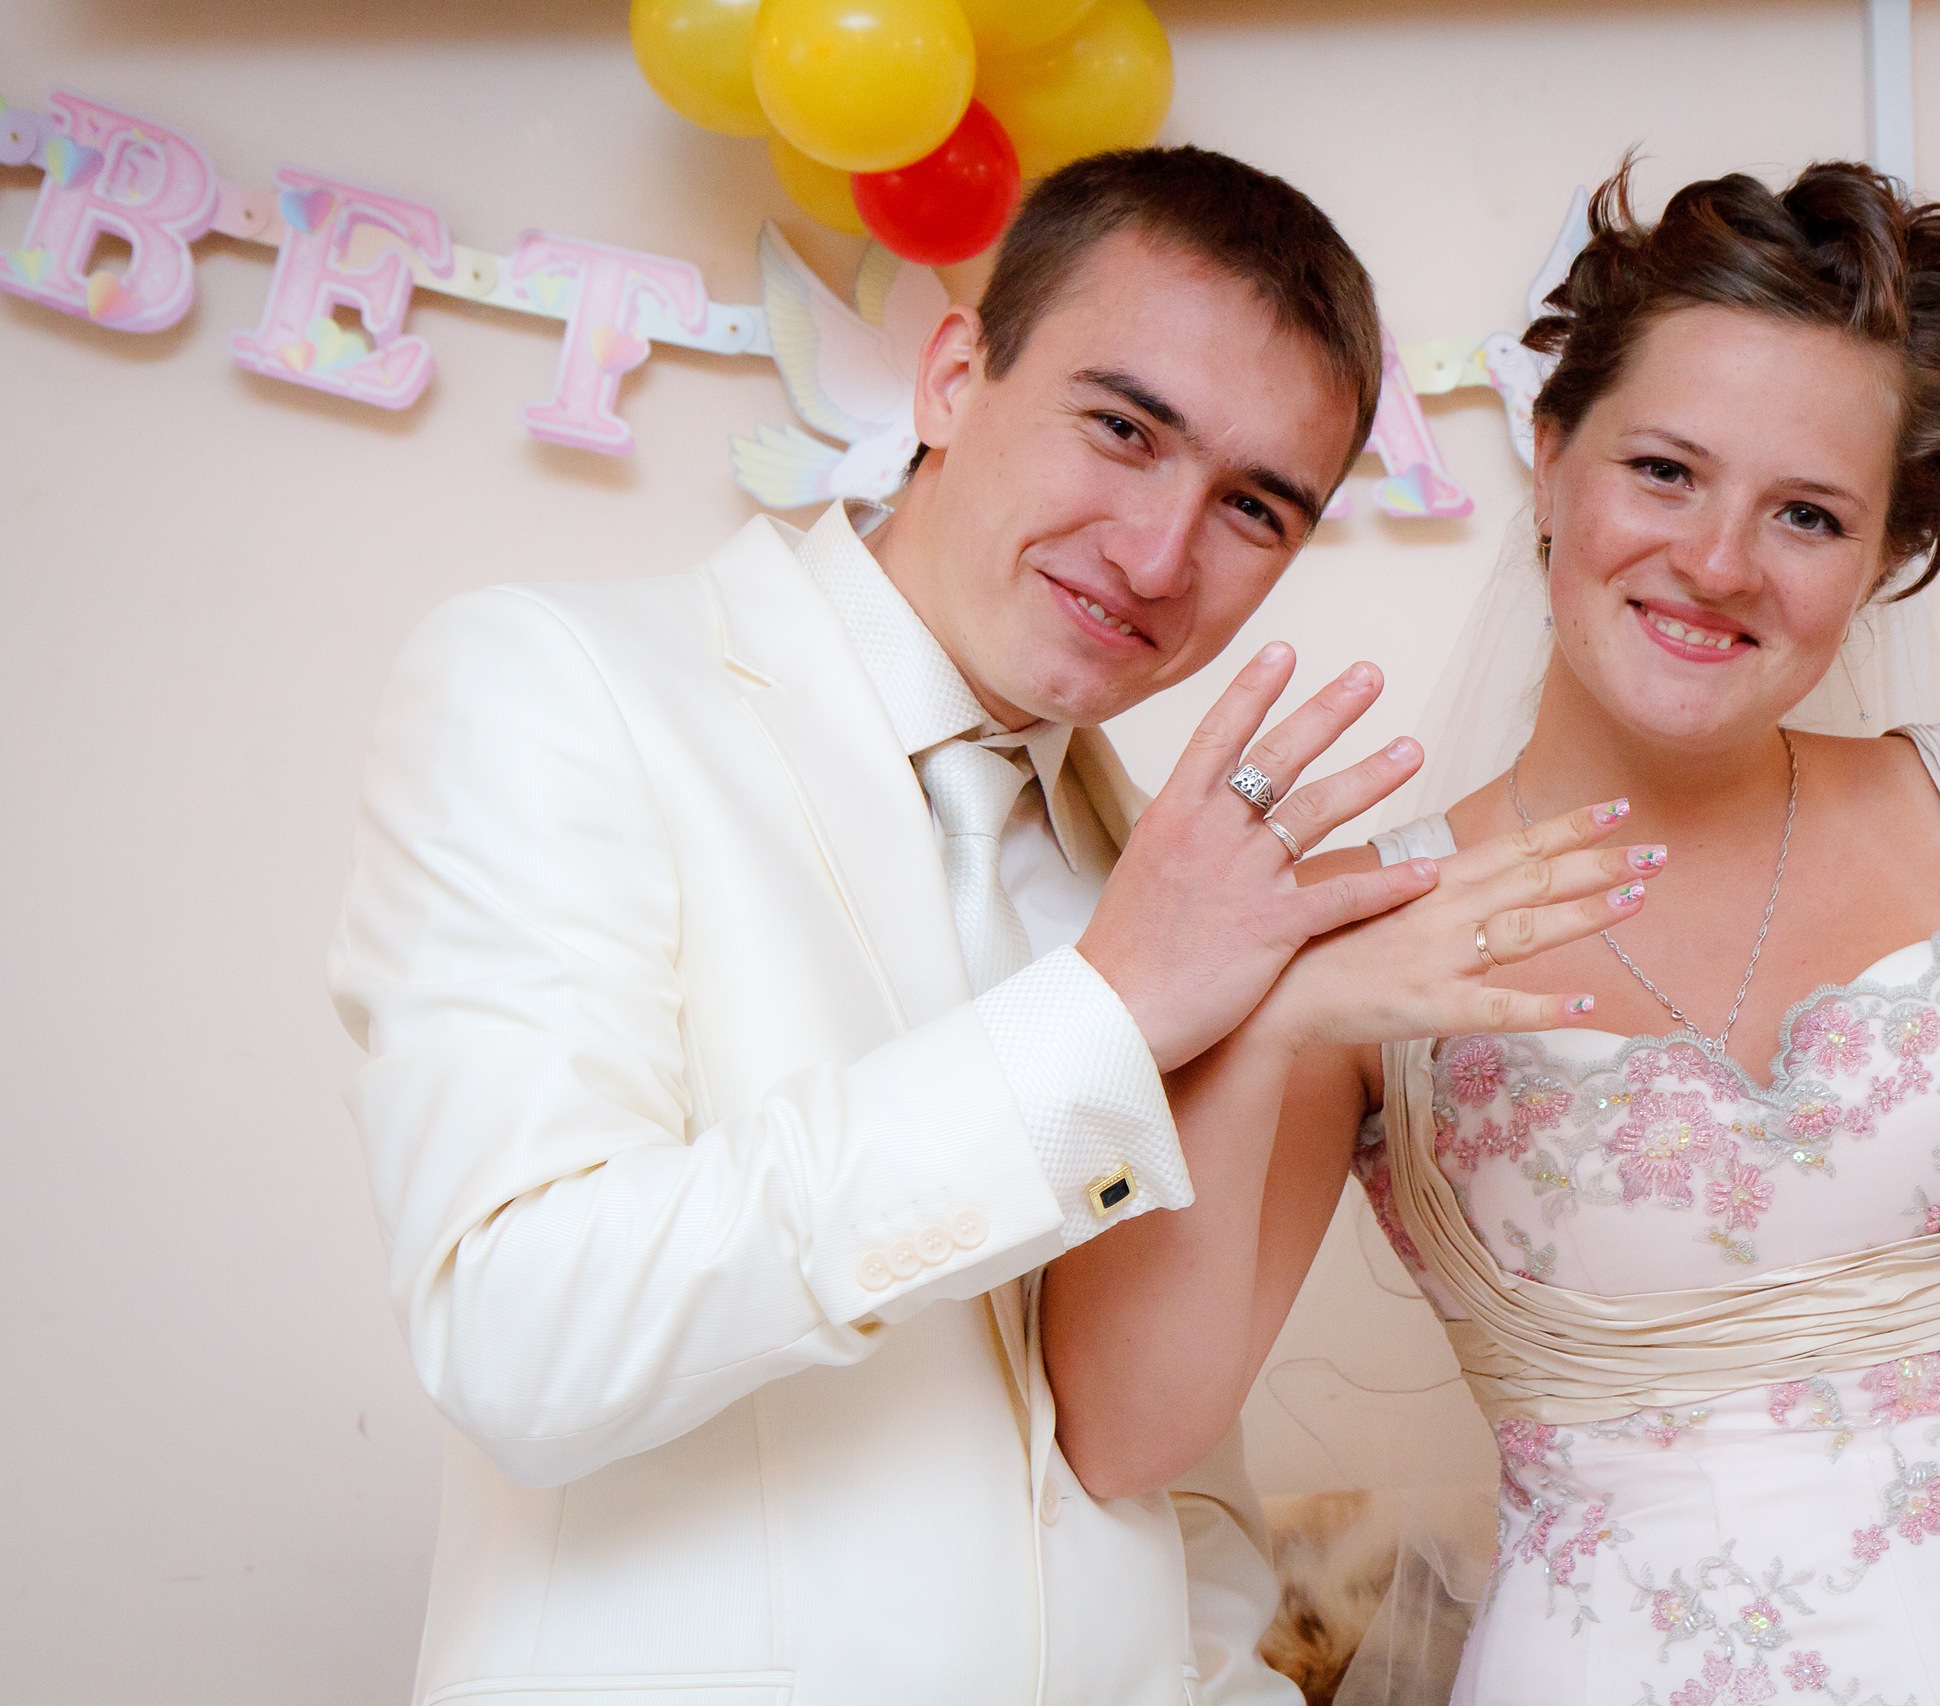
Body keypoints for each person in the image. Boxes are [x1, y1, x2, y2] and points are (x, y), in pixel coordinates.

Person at [1039, 161, 1940, 1705]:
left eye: (1807, 513)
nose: (1720, 561)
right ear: (1552, 461)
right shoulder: (1353, 924)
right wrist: (1276, 1018)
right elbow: (1123, 1435)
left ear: (1884, 557)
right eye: (1666, 471)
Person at [328, 146, 1632, 1706]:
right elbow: (522, 1337)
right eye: (1122, 428)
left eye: (1253, 507)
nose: (1157, 555)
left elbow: (1151, 1480)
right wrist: (1103, 1014)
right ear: (953, 375)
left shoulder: (1158, 865)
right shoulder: (559, 687)